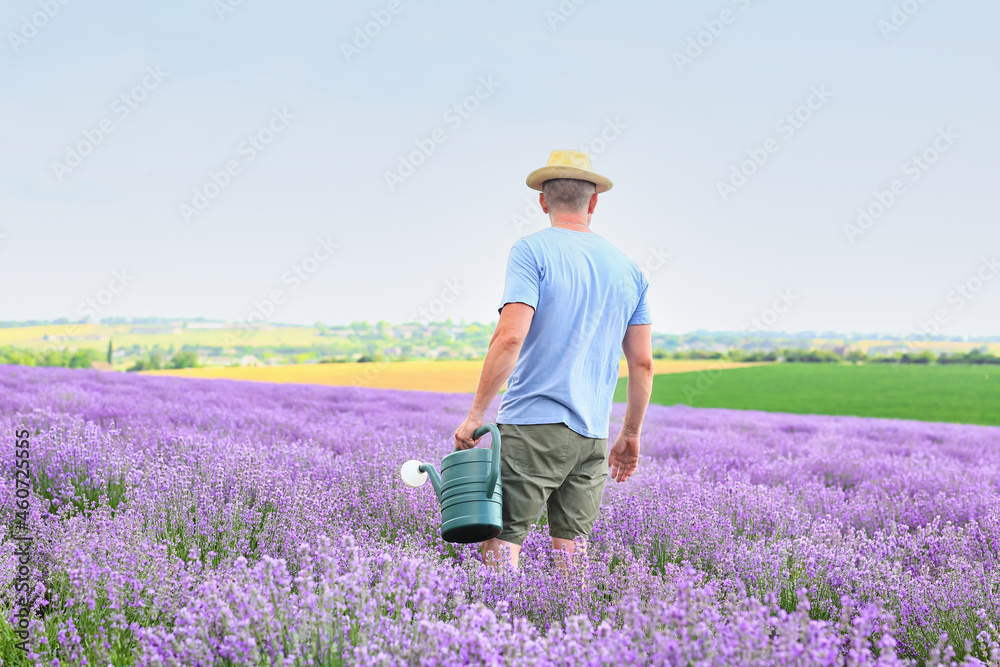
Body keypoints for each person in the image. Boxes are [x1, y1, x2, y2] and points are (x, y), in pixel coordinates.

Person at [453, 149, 654, 569]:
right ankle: (569, 625)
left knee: (502, 541)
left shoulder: (531, 251)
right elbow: (642, 364)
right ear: (593, 202)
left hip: (532, 423)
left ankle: (498, 628)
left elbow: (509, 337)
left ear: (543, 200)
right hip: (593, 433)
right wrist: (630, 434)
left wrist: (475, 415)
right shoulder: (630, 271)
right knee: (572, 551)